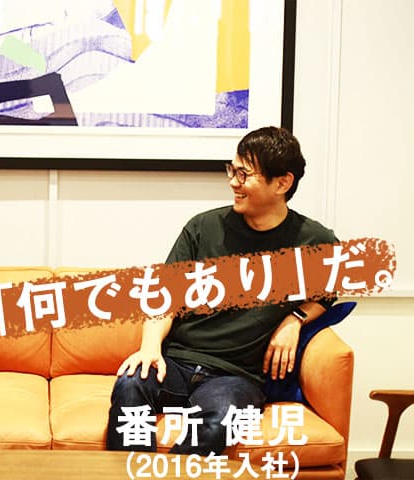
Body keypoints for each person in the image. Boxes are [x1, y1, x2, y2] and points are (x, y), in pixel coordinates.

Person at [106, 126, 337, 455]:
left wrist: (295, 319)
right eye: (232, 170)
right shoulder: (204, 228)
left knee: (219, 421)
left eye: (244, 174)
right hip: (177, 363)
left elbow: (330, 291)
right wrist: (150, 348)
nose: (233, 182)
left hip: (235, 377)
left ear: (282, 183)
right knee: (131, 385)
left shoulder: (313, 241)